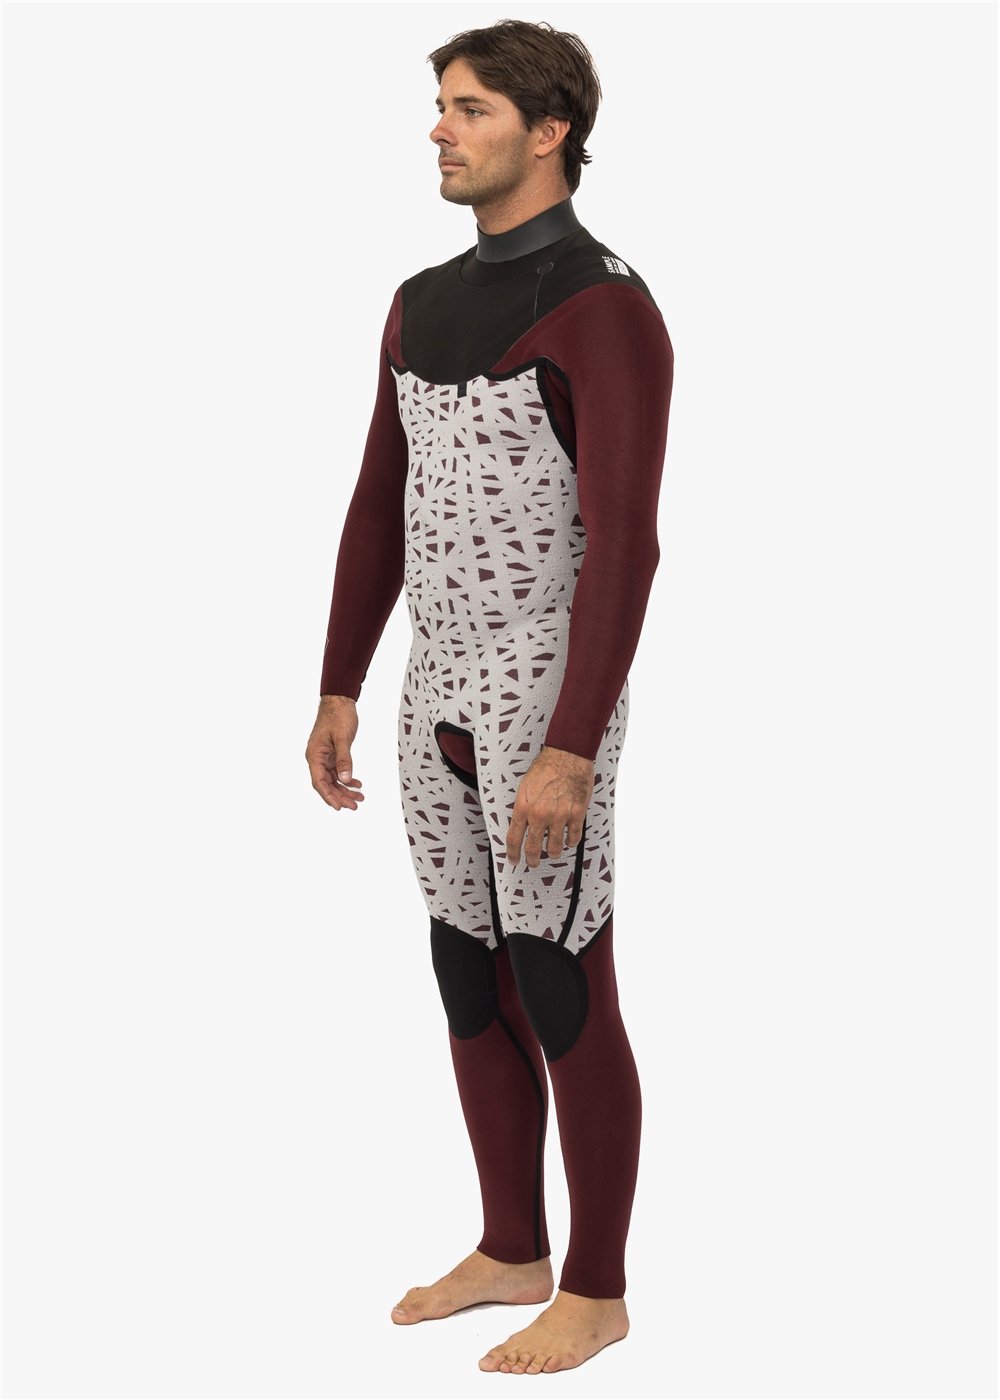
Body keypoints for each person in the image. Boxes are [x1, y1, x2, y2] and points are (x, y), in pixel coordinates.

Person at [305, 18, 674, 1377]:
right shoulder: (419, 301)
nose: (440, 130)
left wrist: (572, 747)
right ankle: (511, 1245)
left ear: (548, 130)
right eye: (443, 106)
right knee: (466, 962)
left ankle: (598, 1287)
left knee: (561, 974)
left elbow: (625, 544)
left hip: (543, 692)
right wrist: (340, 680)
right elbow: (378, 502)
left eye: (468, 108)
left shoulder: (607, 307)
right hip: (431, 685)